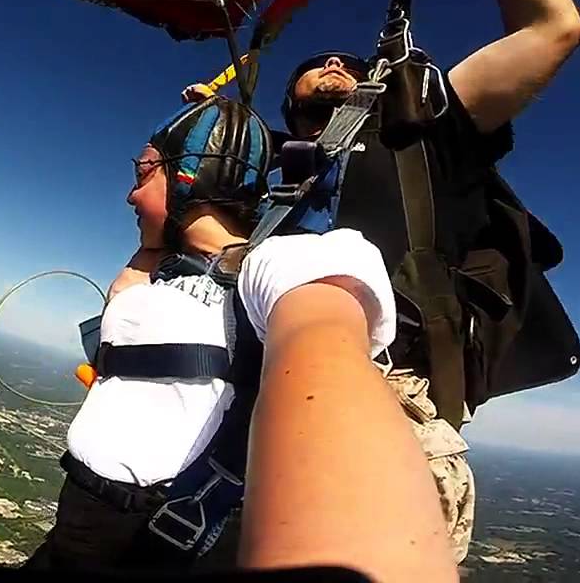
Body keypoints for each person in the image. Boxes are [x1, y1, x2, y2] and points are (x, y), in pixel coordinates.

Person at [134, 0, 580, 563]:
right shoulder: (268, 177)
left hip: (382, 399)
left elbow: (556, 28)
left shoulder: (426, 134)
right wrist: (201, 141)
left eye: (351, 62)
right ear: (289, 101)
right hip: (231, 411)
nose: (338, 66)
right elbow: (168, 217)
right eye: (319, 63)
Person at [24, 95, 448, 576]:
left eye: (143, 173)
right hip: (77, 527)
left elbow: (330, 374)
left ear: (189, 177)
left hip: (154, 544)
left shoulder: (283, 263)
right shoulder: (161, 276)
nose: (130, 195)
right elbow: (131, 295)